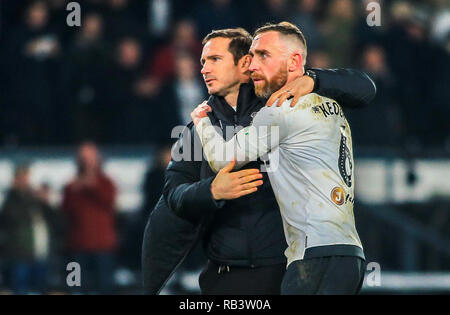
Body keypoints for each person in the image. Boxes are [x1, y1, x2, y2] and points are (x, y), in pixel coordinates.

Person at [142, 27, 375, 295]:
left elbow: (365, 88)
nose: (204, 68)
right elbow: (173, 195)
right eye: (203, 61)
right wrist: (210, 191)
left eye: (215, 59)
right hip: (225, 275)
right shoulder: (194, 133)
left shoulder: (281, 103)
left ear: (243, 66)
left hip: (286, 267)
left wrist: (313, 78)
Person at [62, 142, 117, 294]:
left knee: (104, 287)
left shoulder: (106, 183)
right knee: (78, 287)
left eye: (90, 158)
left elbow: (109, 201)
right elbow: (66, 210)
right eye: (83, 158)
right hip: (78, 246)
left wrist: (90, 186)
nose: (87, 162)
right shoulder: (72, 187)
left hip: (102, 246)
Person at [0, 163, 56, 294]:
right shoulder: (11, 199)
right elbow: (10, 217)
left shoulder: (35, 200)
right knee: (20, 289)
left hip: (39, 253)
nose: (25, 181)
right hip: (19, 254)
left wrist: (44, 200)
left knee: (40, 288)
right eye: (22, 178)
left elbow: (53, 219)